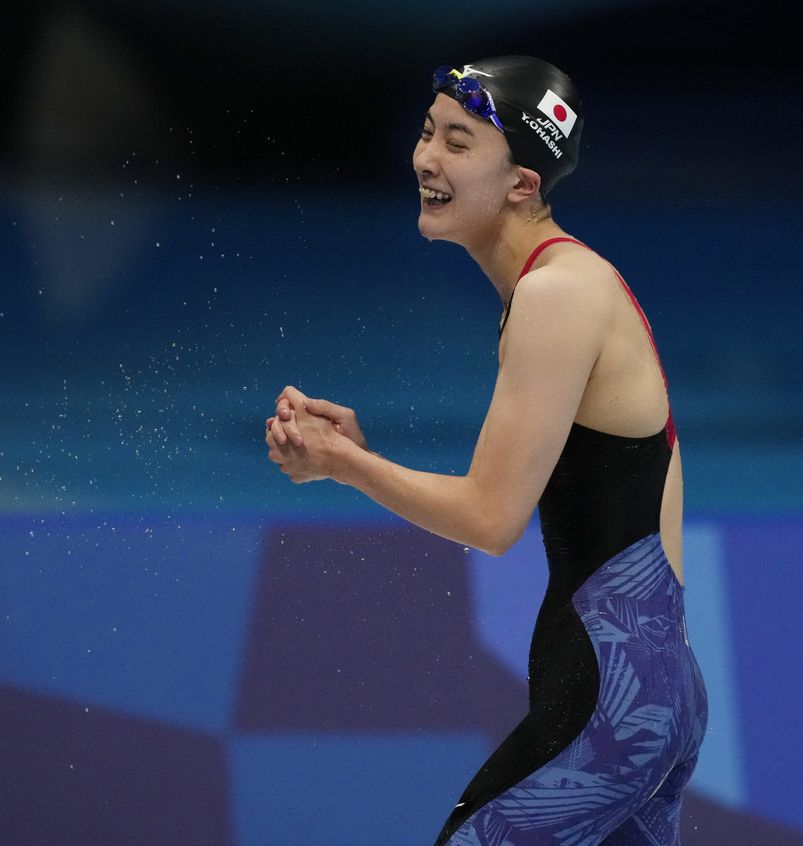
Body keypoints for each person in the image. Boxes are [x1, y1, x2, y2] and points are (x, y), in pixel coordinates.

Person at [264, 56, 707, 845]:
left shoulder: (556, 293)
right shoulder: (576, 286)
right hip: (652, 696)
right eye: (429, 131)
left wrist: (342, 464)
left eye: (460, 142)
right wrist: (362, 453)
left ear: (523, 185)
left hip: (611, 705)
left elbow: (491, 517)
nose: (427, 157)